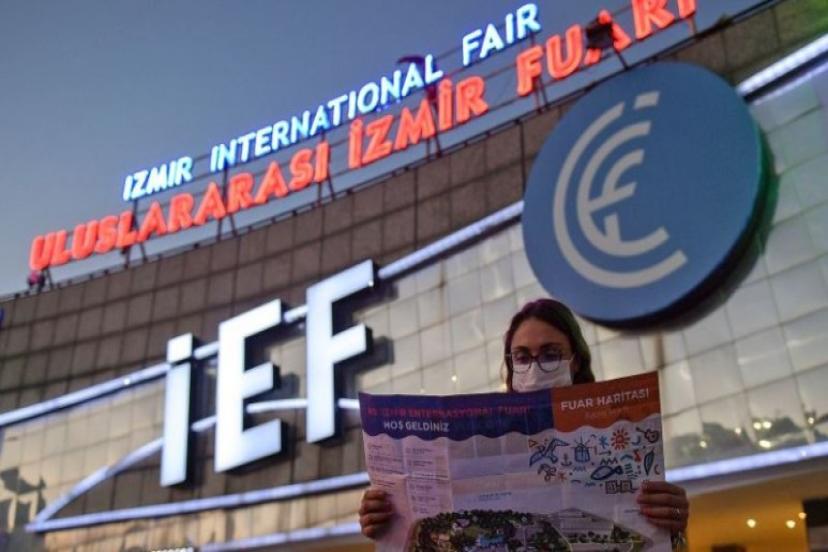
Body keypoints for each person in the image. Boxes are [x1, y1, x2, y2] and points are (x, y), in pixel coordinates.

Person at [358, 298, 689, 547]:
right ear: (511, 364)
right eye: (522, 357)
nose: (535, 367)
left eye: (551, 354)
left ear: (575, 361)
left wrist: (672, 530)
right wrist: (388, 520)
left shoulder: (619, 432)